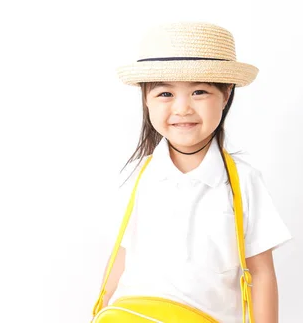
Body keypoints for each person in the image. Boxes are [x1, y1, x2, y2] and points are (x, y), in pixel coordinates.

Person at [97, 21, 293, 323]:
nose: (182, 108)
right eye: (165, 94)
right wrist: (102, 306)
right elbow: (122, 255)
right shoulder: (140, 176)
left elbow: (260, 272)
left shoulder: (243, 181)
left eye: (199, 92)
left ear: (226, 95)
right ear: (146, 100)